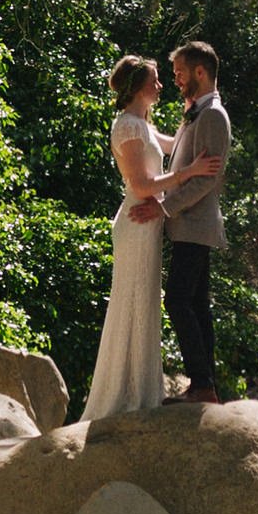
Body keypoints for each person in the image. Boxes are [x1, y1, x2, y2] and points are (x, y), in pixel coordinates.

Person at [82, 53, 167, 428]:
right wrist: (188, 175)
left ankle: (143, 392)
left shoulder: (143, 125)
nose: (160, 85)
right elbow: (141, 185)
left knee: (145, 300)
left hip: (148, 226)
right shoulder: (128, 127)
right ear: (138, 86)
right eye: (155, 80)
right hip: (136, 223)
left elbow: (176, 142)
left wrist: (200, 108)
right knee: (131, 301)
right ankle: (125, 395)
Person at [159, 40, 232, 406]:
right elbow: (181, 154)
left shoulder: (213, 115)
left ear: (200, 73)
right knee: (198, 304)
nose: (176, 80)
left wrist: (165, 207)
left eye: (180, 73)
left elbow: (208, 180)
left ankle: (202, 384)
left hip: (195, 223)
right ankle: (205, 387)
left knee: (177, 301)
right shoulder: (196, 111)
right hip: (190, 225)